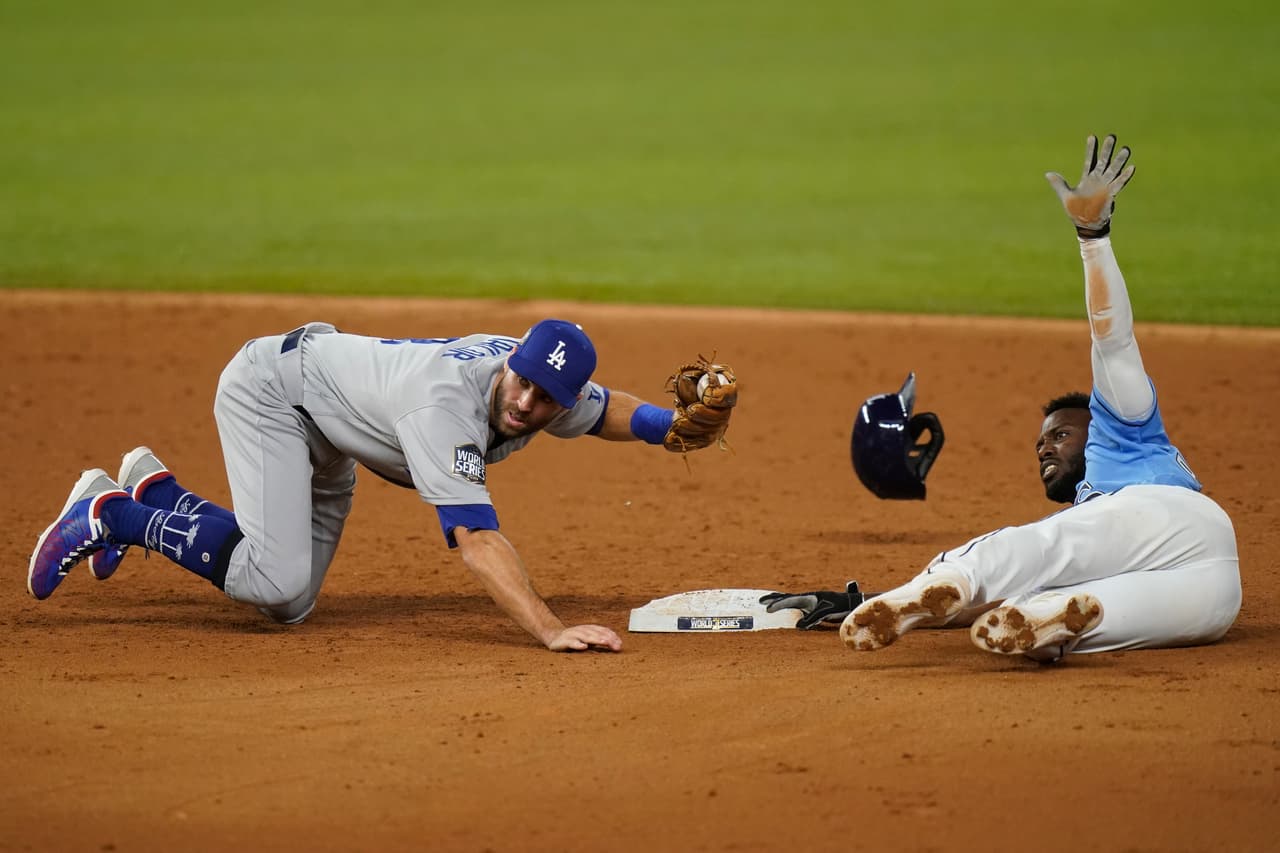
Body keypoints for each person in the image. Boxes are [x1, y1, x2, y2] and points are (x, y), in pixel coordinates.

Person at [27, 319, 737, 652]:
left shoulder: (547, 384)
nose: (525, 404)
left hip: (331, 424)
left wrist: (666, 427)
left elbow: (602, 404)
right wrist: (549, 630)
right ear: (511, 364)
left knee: (290, 605)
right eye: (522, 384)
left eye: (545, 397)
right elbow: (475, 538)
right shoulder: (446, 410)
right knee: (272, 579)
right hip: (273, 393)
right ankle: (114, 514)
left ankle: (152, 491)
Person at [834, 134, 1241, 661]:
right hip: (1214, 586)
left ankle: (941, 579)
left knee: (1033, 547)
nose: (1044, 448)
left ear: (1099, 425)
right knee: (1095, 609)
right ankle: (1044, 621)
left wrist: (1093, 237)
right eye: (1041, 442)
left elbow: (1112, 340)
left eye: (1061, 433)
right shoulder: (1101, 516)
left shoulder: (1126, 427)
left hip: (1163, 520)